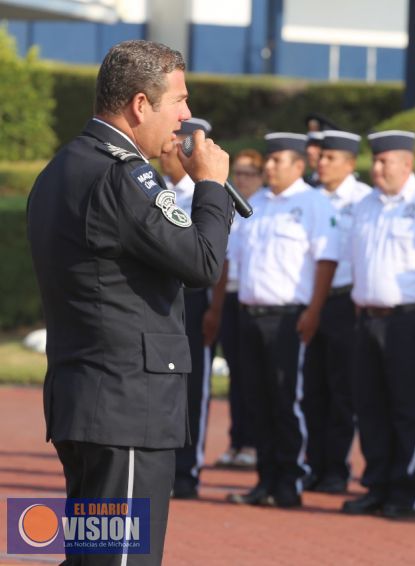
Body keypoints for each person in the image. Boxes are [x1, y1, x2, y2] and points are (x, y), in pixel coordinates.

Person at [27, 40, 232, 565]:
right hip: (126, 406)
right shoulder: (122, 174)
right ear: (141, 105)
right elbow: (202, 262)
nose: (186, 116)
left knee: (91, 556)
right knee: (120, 559)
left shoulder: (61, 168)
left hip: (88, 396)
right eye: (179, 100)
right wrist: (210, 186)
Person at [342, 130, 415, 519]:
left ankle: (406, 489)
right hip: (368, 318)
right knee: (370, 406)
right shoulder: (365, 205)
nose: (376, 167)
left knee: (409, 407)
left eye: (384, 161)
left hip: (409, 319)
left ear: (407, 164)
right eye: (374, 160)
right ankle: (377, 485)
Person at [227, 132, 339, 509]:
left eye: (277, 161)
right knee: (257, 400)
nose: (269, 168)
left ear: (298, 166)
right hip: (250, 313)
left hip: (289, 316)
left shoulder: (313, 204)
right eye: (267, 161)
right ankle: (265, 480)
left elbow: (325, 261)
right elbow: (234, 258)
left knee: (286, 401)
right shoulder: (254, 203)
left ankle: (289, 480)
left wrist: (314, 311)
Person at [301, 130, 371, 493]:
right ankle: (315, 464)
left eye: (330, 158)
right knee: (313, 390)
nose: (321, 163)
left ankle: (336, 469)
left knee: (342, 390)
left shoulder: (364, 200)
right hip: (310, 299)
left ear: (348, 162)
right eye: (321, 157)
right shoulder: (309, 198)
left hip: (345, 302)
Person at [158, 116, 218, 500]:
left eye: (176, 143)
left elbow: (219, 257)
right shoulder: (147, 189)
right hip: (158, 301)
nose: (167, 150)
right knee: (160, 387)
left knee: (192, 387)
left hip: (193, 299)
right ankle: (161, 468)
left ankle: (186, 470)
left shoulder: (208, 193)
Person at [214, 149, 264, 469]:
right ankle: (237, 440)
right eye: (239, 173)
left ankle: (254, 443)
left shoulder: (267, 209)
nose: (242, 179)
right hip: (229, 298)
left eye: (249, 173)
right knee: (237, 375)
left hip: (254, 299)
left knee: (256, 377)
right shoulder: (227, 205)